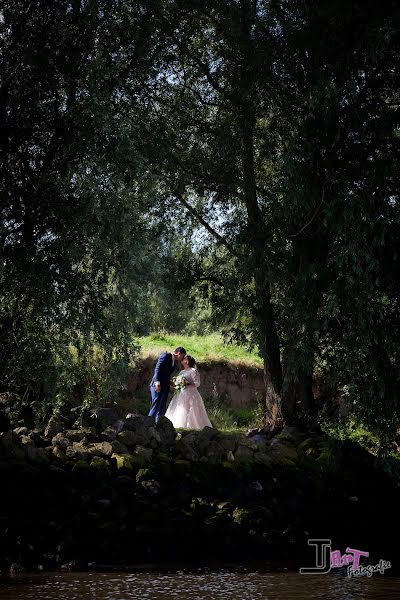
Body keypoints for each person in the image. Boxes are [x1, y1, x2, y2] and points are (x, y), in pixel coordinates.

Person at [165, 355, 212, 429]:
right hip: (182, 393)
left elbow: (197, 383)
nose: (183, 360)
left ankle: (193, 426)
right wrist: (175, 384)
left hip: (191, 394)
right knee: (180, 408)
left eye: (185, 359)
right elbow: (179, 384)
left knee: (192, 410)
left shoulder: (193, 371)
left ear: (187, 361)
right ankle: (179, 425)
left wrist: (186, 384)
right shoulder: (181, 372)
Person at [148, 346, 186, 423]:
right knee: (156, 406)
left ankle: (158, 425)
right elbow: (158, 369)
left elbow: (165, 374)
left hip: (165, 387)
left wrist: (170, 383)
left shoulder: (174, 362)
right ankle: (148, 424)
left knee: (162, 407)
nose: (183, 358)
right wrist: (157, 383)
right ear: (179, 353)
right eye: (183, 356)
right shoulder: (166, 355)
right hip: (157, 386)